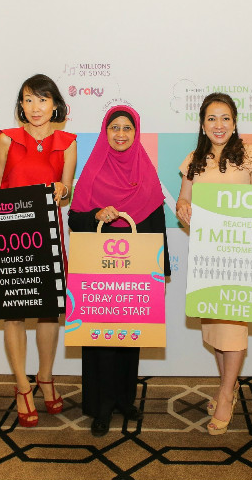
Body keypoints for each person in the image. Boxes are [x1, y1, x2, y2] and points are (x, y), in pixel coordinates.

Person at [68, 105, 171, 437]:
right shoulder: (93, 170)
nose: (121, 134)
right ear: (105, 132)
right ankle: (100, 407)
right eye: (115, 127)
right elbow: (74, 219)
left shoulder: (145, 171)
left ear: (136, 132)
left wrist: (160, 270)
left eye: (128, 128)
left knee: (129, 335)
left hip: (137, 267)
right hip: (98, 269)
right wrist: (97, 214)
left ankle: (124, 400)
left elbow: (157, 222)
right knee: (98, 338)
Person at [176, 92, 252, 435]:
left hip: (242, 255)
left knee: (234, 327)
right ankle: (228, 385)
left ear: (234, 122)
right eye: (211, 118)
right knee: (215, 328)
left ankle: (226, 394)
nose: (219, 125)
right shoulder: (193, 160)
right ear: (202, 124)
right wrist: (184, 209)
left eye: (225, 118)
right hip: (207, 255)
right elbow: (183, 201)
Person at [0, 74, 76, 428]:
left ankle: (45, 376)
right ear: (20, 105)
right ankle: (22, 386)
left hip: (46, 232)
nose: (35, 107)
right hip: (9, 233)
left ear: (55, 104)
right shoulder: (6, 138)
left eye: (42, 99)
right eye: (28, 100)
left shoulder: (67, 142)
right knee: (13, 311)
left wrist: (61, 190)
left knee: (48, 312)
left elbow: (67, 188)